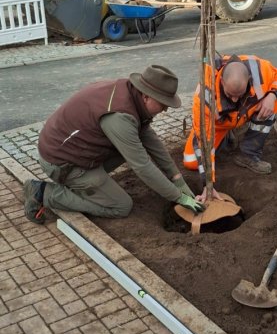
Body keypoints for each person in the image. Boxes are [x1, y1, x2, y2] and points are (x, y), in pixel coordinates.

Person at [23, 65, 204, 224]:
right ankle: (43, 193)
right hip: (62, 163)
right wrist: (178, 197)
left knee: (131, 148)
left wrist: (177, 180)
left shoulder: (130, 95)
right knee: (121, 206)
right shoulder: (120, 116)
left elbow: (150, 140)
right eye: (163, 103)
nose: (165, 109)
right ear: (147, 96)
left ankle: (85, 186)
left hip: (76, 151)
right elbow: (142, 165)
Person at [183, 53, 277, 200]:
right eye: (230, 95)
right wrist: (207, 183)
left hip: (244, 113)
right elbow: (202, 142)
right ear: (223, 83)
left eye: (239, 94)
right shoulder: (204, 98)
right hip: (217, 125)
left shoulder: (260, 70)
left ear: (249, 80)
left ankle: (249, 153)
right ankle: (226, 136)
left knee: (274, 105)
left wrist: (272, 96)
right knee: (191, 161)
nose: (235, 99)